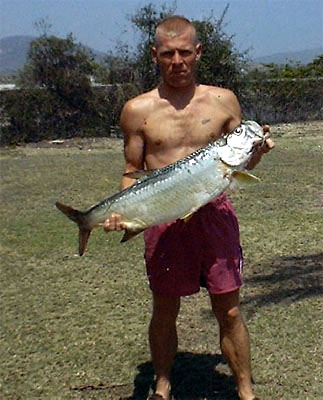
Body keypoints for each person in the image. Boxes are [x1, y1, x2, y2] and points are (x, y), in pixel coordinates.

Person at [104, 16, 274, 400]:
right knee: (165, 309)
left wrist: (259, 151)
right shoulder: (136, 109)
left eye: (184, 52)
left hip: (215, 215)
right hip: (162, 218)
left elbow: (241, 161)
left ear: (198, 52)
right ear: (155, 55)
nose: (177, 61)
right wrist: (122, 214)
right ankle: (162, 385)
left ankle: (245, 390)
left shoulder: (223, 100)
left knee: (229, 310)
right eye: (168, 54)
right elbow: (132, 171)